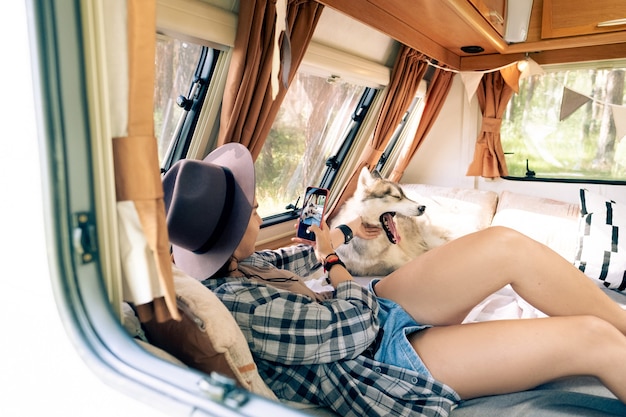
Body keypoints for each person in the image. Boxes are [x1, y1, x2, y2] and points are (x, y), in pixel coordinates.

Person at [162, 143, 626, 417]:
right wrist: (335, 267)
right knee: (592, 339)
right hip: (377, 359)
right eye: (253, 210)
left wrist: (343, 235)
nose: (260, 214)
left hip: (374, 313)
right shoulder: (238, 305)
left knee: (505, 242)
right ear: (232, 230)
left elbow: (295, 257)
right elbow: (350, 326)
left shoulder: (244, 265)